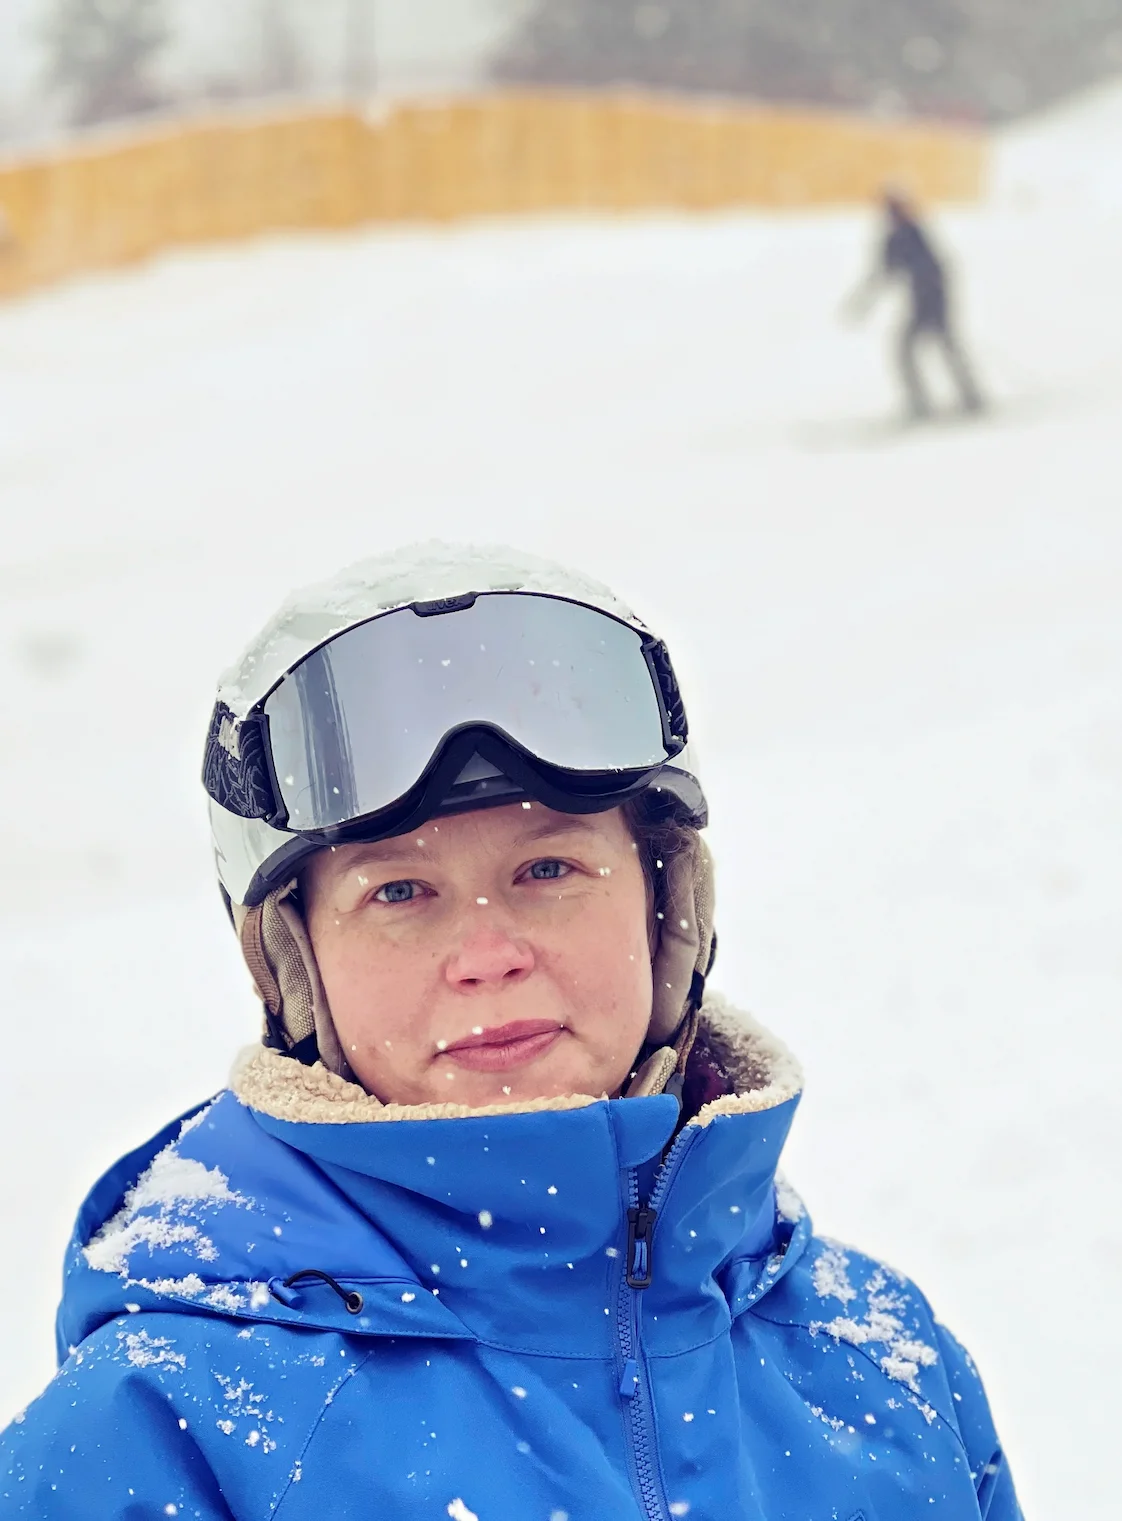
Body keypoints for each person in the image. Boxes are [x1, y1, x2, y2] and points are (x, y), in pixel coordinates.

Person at [0, 543, 1021, 1520]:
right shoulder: (160, 1439)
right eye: (399, 891)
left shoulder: (885, 1367)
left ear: (668, 907)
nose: (487, 954)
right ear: (294, 964)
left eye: (548, 871)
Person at [849, 189, 983, 421]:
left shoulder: (914, 233)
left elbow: (935, 267)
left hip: (933, 300)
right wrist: (863, 301)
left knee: (932, 348)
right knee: (925, 350)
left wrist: (933, 294)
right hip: (921, 301)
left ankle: (964, 398)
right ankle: (935, 401)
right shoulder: (896, 237)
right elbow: (884, 272)